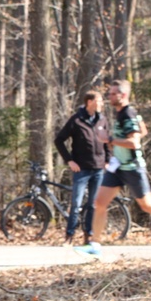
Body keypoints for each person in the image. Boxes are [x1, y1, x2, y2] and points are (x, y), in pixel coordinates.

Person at [76, 79, 151, 257]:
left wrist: (109, 140)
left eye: (113, 94)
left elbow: (134, 142)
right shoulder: (124, 113)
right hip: (118, 167)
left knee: (147, 204)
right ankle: (95, 245)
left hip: (132, 167)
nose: (109, 96)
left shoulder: (128, 114)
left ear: (123, 95)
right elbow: (143, 130)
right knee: (100, 202)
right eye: (109, 93)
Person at [54, 90, 110, 247]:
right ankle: (69, 236)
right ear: (89, 102)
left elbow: (106, 142)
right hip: (81, 169)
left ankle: (88, 236)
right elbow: (59, 140)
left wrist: (107, 160)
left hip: (98, 169)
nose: (102, 103)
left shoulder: (102, 120)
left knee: (93, 204)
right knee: (76, 204)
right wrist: (69, 160)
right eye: (99, 100)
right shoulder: (76, 120)